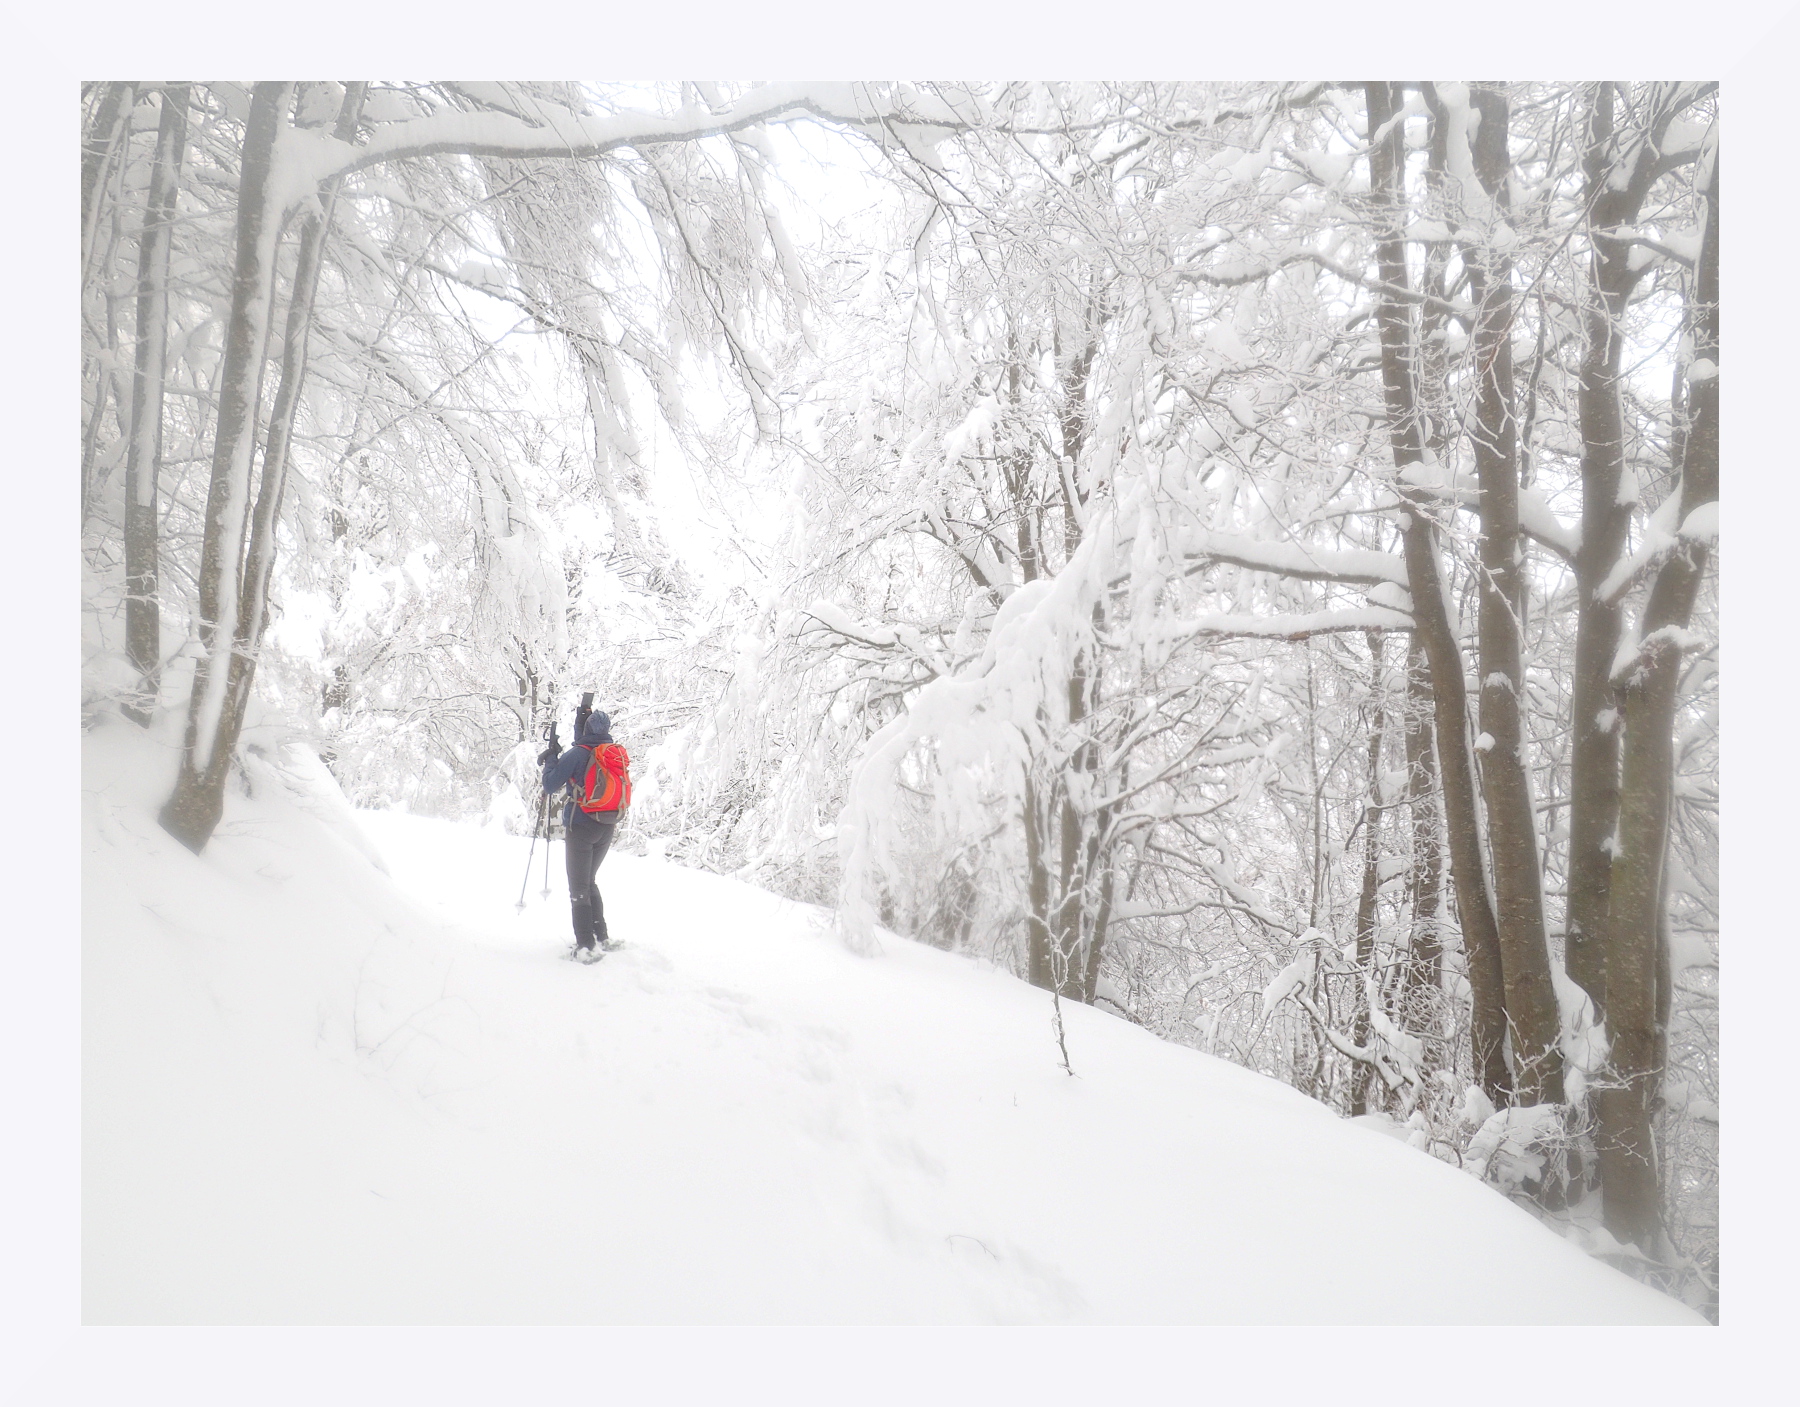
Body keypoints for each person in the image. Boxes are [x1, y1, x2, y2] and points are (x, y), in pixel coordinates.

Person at [539, 708, 621, 961]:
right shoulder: (612, 752)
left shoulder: (577, 754)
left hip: (581, 826)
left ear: (585, 730)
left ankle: (585, 945)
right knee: (590, 880)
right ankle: (602, 937)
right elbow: (586, 749)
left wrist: (552, 758)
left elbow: (551, 784)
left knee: (578, 888)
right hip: (606, 825)